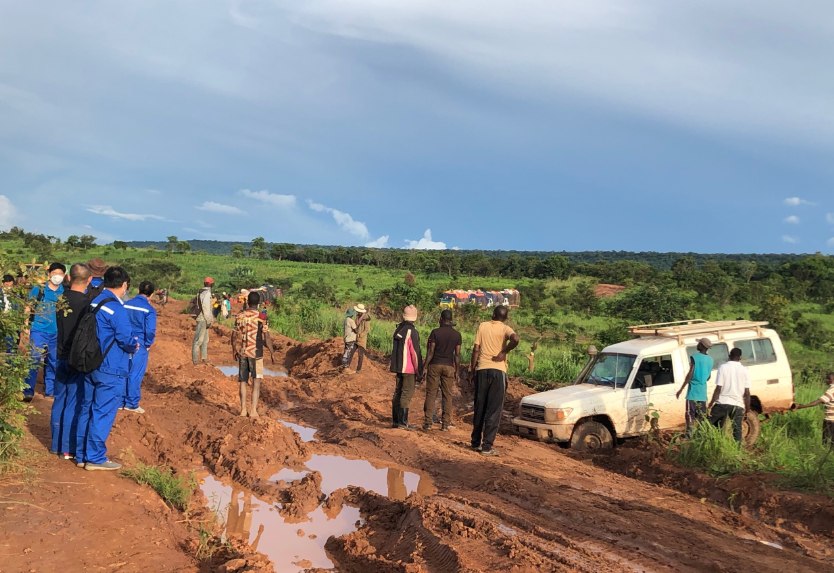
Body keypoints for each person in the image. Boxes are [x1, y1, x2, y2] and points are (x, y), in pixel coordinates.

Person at [75, 266, 138, 470]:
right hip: (111, 368)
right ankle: (95, 458)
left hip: (91, 363)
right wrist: (134, 344)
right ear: (125, 284)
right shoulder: (117, 309)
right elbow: (126, 338)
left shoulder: (94, 301)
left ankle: (81, 455)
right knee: (102, 412)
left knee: (86, 408)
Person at [52, 263, 92, 459]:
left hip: (59, 355)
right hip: (76, 359)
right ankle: (67, 448)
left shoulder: (61, 299)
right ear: (89, 279)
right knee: (74, 402)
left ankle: (55, 444)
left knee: (59, 399)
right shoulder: (87, 304)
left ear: (68, 277)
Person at [469, 305, 520, 456]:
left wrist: (472, 370)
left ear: (493, 314)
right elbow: (515, 339)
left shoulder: (482, 326)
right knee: (494, 410)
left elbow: (476, 349)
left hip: (482, 369)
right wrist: (503, 352)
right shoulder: (506, 329)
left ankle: (475, 442)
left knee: (480, 407)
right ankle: (487, 447)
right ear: (505, 318)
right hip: (498, 372)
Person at [23, 262, 66, 401]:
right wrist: (25, 325)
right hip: (38, 329)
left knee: (53, 362)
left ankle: (50, 391)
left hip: (56, 332)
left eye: (60, 274)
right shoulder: (39, 289)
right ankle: (28, 390)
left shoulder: (64, 292)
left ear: (64, 276)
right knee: (34, 359)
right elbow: (28, 306)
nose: (57, 276)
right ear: (49, 274)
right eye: (55, 273)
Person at [231, 291, 269, 418]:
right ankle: (253, 411)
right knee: (256, 383)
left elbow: (234, 334)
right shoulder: (262, 317)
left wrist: (234, 349)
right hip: (256, 353)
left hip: (243, 352)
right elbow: (266, 336)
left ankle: (242, 410)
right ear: (258, 303)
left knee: (243, 381)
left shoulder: (240, 316)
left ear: (247, 302)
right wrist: (272, 352)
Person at [422, 309, 461, 431]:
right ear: (451, 320)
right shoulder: (457, 335)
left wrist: (424, 366)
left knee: (431, 393)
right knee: (447, 395)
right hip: (449, 366)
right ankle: (445, 424)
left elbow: (431, 351)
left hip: (435, 365)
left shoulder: (435, 332)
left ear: (441, 319)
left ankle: (428, 423)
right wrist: (457, 371)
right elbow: (457, 355)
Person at [123, 281, 157, 414]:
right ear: (152, 295)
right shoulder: (149, 310)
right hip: (140, 343)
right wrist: (148, 344)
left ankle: (120, 401)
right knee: (135, 373)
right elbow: (150, 331)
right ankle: (131, 403)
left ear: (138, 290)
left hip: (125, 341)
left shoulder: (125, 305)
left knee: (123, 371)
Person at [707, 347, 750, 444]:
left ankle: (709, 445)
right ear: (740, 357)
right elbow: (747, 393)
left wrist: (710, 405)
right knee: (737, 430)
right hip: (738, 405)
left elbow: (718, 388)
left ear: (729, 356)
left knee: (708, 424)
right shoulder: (745, 371)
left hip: (723, 402)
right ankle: (737, 452)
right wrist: (747, 409)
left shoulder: (723, 367)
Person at [390, 305, 423, 430]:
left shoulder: (399, 328)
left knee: (397, 392)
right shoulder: (411, 331)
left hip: (398, 366)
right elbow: (414, 352)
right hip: (408, 368)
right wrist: (419, 370)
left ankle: (396, 421)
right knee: (406, 394)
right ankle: (403, 422)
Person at [676, 338, 714, 435]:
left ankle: (690, 436)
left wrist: (681, 388)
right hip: (703, 393)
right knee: (701, 416)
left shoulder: (694, 357)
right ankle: (701, 436)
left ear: (702, 346)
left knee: (690, 415)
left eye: (699, 343)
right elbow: (708, 377)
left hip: (693, 392)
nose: (697, 345)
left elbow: (690, 374)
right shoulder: (710, 360)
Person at [792, 372, 834, 448]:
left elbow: (819, 401)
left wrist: (802, 406)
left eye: (828, 379)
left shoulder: (832, 389)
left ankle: (825, 457)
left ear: (832, 380)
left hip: (830, 420)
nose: (826, 380)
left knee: (826, 441)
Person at [192, 277, 215, 365]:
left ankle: (204, 358)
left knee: (205, 340)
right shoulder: (207, 293)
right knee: (198, 340)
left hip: (202, 318)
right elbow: (206, 309)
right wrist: (209, 320)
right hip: (203, 319)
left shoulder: (201, 292)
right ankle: (195, 360)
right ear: (210, 284)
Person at [341, 307, 357, 372]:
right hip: (350, 338)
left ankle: (344, 365)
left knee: (346, 351)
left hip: (346, 338)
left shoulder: (345, 320)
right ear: (352, 315)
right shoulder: (351, 321)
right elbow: (355, 330)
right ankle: (345, 366)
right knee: (348, 352)